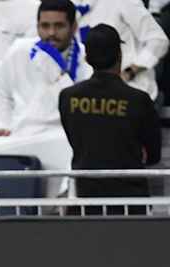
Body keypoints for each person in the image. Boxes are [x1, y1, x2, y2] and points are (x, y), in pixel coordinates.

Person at [0, 0, 90, 195]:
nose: (51, 33)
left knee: (75, 152)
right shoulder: (20, 50)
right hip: (19, 134)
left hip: (62, 136)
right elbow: (0, 93)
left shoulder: (85, 60)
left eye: (59, 26)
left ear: (73, 27)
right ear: (37, 26)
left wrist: (58, 70)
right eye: (45, 26)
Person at [59, 23, 161, 214]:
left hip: (86, 200)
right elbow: (153, 155)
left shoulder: (67, 97)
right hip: (130, 204)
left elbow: (75, 139)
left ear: (87, 58)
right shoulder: (138, 100)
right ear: (119, 56)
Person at [73, 0, 168, 100]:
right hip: (88, 96)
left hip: (132, 92)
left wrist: (130, 72)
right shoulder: (67, 6)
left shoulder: (123, 2)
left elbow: (158, 40)